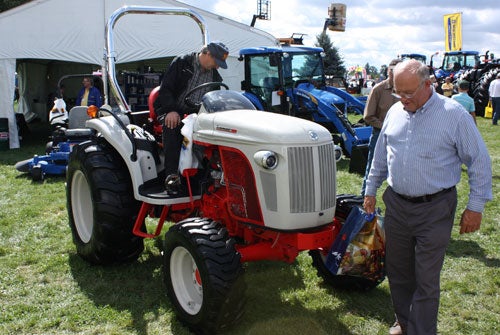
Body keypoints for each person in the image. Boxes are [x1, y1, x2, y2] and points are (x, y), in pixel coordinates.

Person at [363, 59, 492, 335]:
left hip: (435, 207)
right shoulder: (395, 112)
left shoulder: (453, 114)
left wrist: (475, 206)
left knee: (426, 277)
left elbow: (479, 160)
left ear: (428, 84)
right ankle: (404, 322)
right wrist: (371, 189)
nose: (403, 99)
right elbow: (381, 155)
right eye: (398, 92)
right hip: (396, 204)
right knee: (398, 271)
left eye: (409, 93)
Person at [153, 41, 229, 195]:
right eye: (217, 62)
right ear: (207, 54)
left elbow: (215, 97)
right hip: (171, 109)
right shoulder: (182, 63)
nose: (218, 67)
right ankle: (172, 176)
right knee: (173, 125)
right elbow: (166, 89)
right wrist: (171, 110)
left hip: (195, 114)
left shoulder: (214, 75)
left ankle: (212, 176)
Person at [360, 58, 402, 196]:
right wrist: (386, 127)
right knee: (373, 168)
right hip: (380, 134)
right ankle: (364, 199)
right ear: (388, 71)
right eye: (392, 71)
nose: (395, 74)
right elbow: (368, 116)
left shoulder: (406, 89)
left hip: (403, 135)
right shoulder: (378, 89)